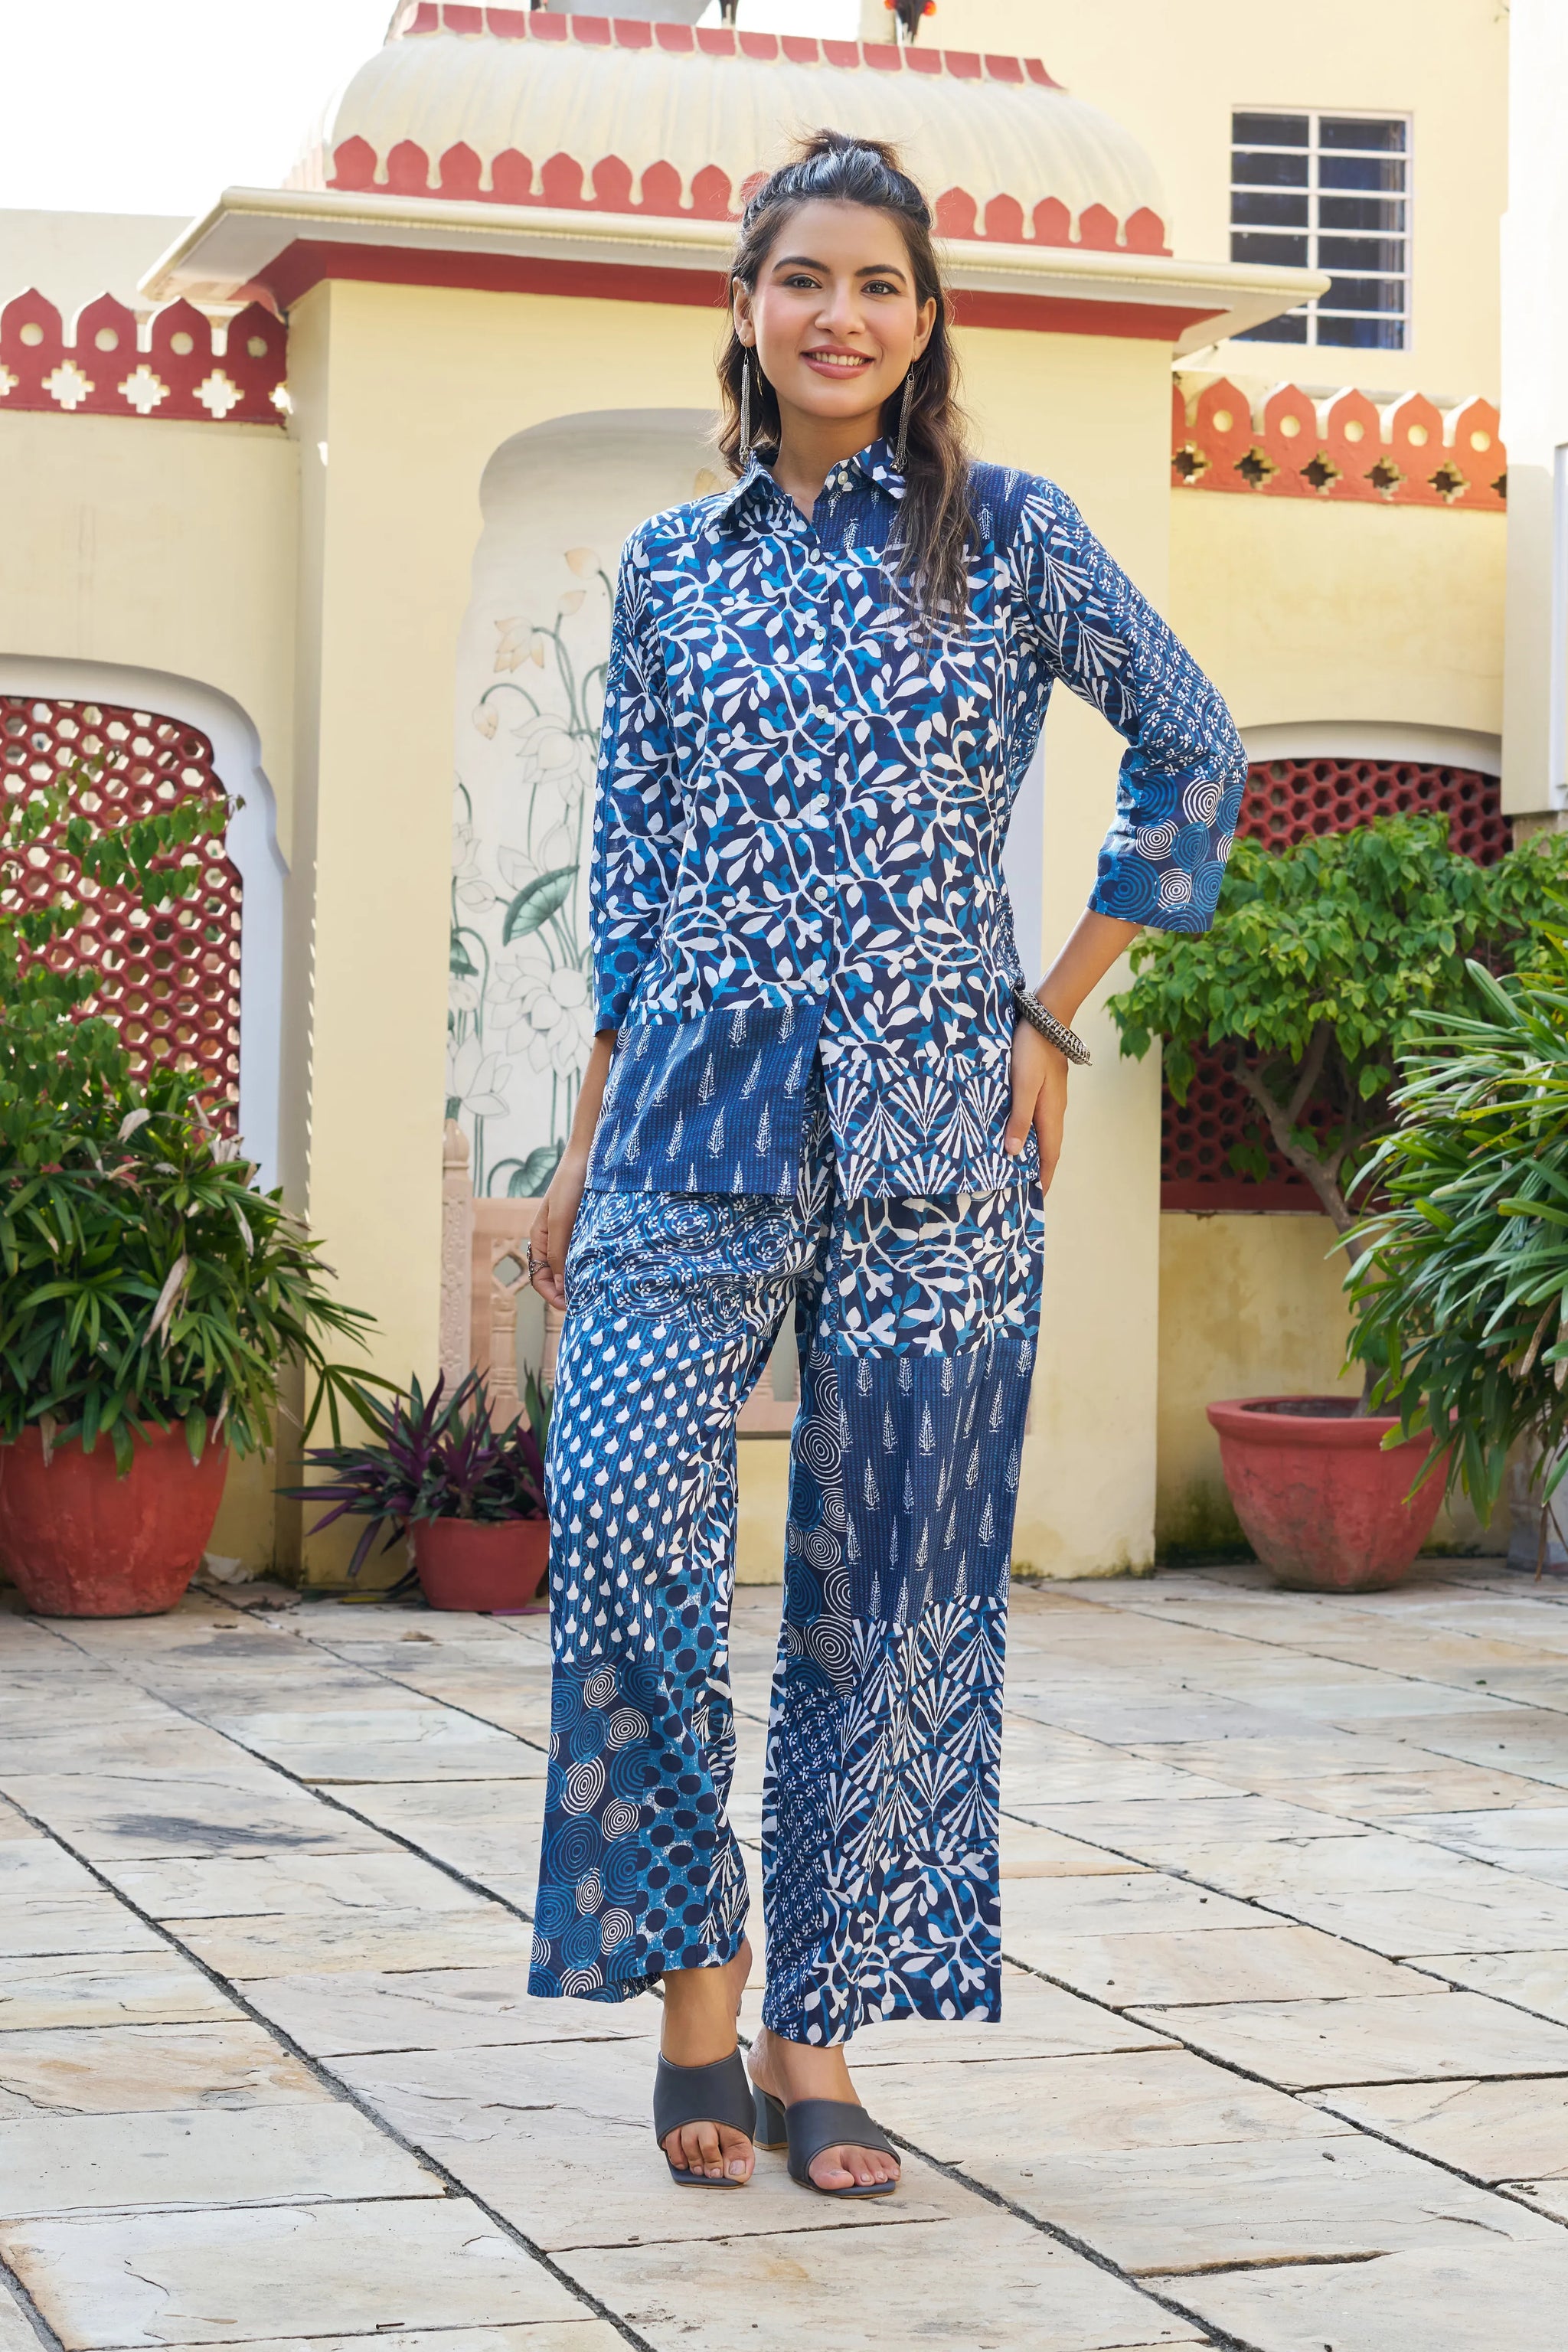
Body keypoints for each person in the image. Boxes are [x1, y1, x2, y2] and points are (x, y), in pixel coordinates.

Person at [526, 129, 1243, 2201]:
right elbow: (634, 883)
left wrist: (1056, 1005)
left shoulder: (1008, 536)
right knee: (623, 1537)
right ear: (746, 307)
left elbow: (1196, 744)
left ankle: (812, 2036)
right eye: (804, 277)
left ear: (927, 324)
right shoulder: (673, 566)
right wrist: (581, 1148)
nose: (839, 314)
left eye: (879, 285)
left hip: (944, 1130)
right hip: (688, 1115)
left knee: (899, 1588)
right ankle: (696, 1985)